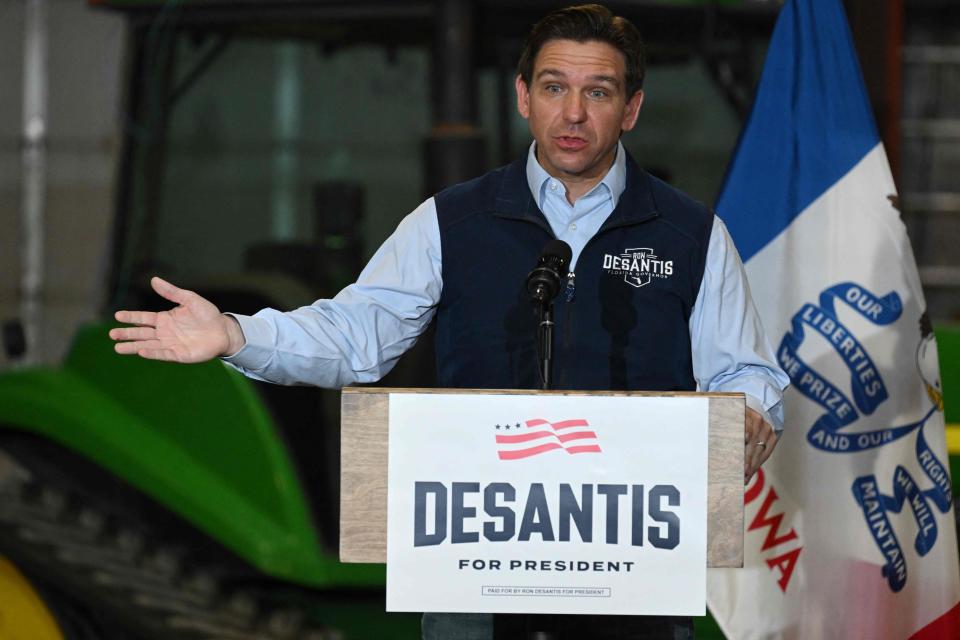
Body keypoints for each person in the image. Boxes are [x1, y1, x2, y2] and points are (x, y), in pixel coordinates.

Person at [111, 4, 789, 638]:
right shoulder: (450, 221)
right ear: (524, 96)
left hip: (636, 577)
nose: (573, 113)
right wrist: (237, 333)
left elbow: (745, 372)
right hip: (474, 576)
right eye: (554, 88)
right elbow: (357, 336)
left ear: (632, 107)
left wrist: (753, 412)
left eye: (599, 92)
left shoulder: (692, 234)